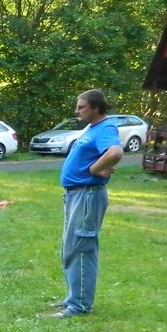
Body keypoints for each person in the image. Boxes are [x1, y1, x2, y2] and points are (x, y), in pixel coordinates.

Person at [55, 88, 123, 319]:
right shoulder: (93, 128)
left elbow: (115, 152)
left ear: (95, 107)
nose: (77, 111)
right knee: (70, 247)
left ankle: (80, 305)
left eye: (81, 106)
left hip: (87, 195)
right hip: (76, 195)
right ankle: (73, 297)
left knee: (81, 248)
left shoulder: (106, 128)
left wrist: (94, 169)